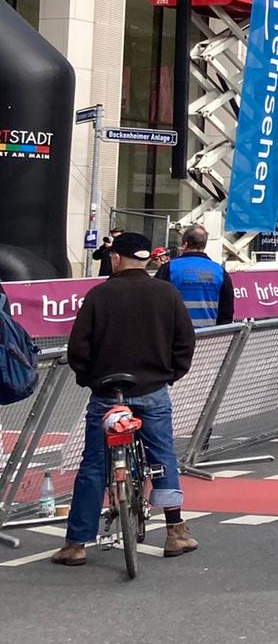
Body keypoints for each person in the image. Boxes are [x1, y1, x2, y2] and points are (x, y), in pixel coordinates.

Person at [53, 233, 199, 564]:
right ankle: (175, 531)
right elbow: (184, 341)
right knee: (162, 457)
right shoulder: (166, 293)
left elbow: (79, 348)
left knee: (93, 465)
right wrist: (170, 374)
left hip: (107, 393)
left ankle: (76, 544)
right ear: (146, 260)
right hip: (152, 390)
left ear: (116, 259)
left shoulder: (99, 295)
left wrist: (89, 379)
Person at [154, 224, 234, 328]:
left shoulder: (169, 268)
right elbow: (226, 313)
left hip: (176, 338)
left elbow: (155, 303)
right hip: (210, 338)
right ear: (204, 245)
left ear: (185, 244)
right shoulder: (219, 271)